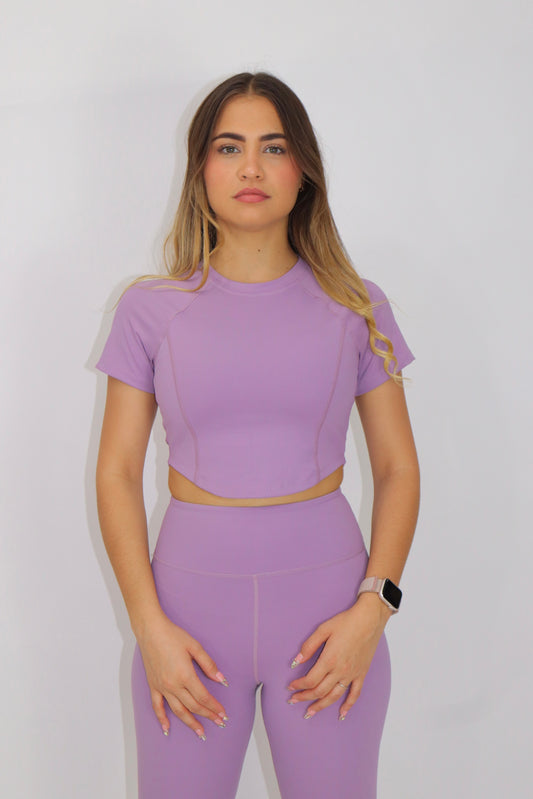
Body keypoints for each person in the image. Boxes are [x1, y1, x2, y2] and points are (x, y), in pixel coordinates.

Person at [94, 70, 420, 799]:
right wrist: (148, 627)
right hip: (185, 616)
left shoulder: (357, 306)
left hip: (330, 611)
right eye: (228, 147)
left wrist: (374, 609)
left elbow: (398, 468)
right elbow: (115, 472)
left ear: (303, 170)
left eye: (273, 147)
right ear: (199, 169)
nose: (250, 167)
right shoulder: (149, 309)